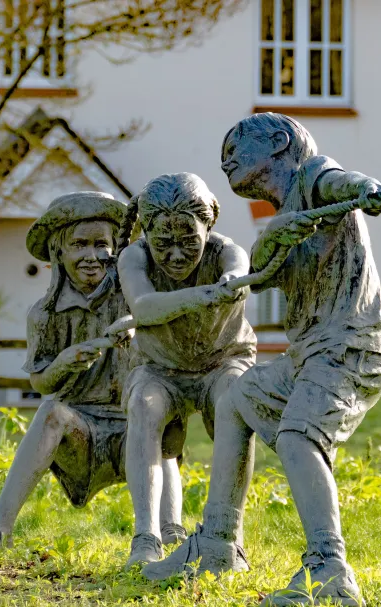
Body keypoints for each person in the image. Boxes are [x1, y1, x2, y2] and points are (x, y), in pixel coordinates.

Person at [143, 113, 381, 607]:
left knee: (300, 435)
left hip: (349, 350)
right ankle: (218, 542)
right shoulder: (281, 218)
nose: (225, 161)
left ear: (278, 143)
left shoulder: (317, 179)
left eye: (235, 147)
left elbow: (338, 179)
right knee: (238, 398)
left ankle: (330, 571)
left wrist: (365, 187)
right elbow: (261, 271)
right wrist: (272, 239)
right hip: (308, 357)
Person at [0, 191, 184, 555]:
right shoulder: (45, 315)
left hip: (134, 426)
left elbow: (168, 341)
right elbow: (40, 381)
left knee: (156, 415)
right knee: (50, 413)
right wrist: (63, 363)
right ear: (58, 252)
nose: (91, 257)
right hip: (84, 432)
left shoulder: (135, 295)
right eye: (79, 244)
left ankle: (166, 531)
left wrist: (137, 326)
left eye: (101, 245)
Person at [115, 172, 257, 568]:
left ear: (207, 226)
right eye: (164, 243)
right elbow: (143, 308)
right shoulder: (134, 257)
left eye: (188, 241)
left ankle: (228, 536)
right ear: (147, 235)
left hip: (223, 361)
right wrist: (209, 293)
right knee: (144, 407)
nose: (176, 255)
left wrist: (233, 280)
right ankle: (146, 536)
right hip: (161, 367)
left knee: (235, 404)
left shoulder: (228, 251)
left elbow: (239, 274)